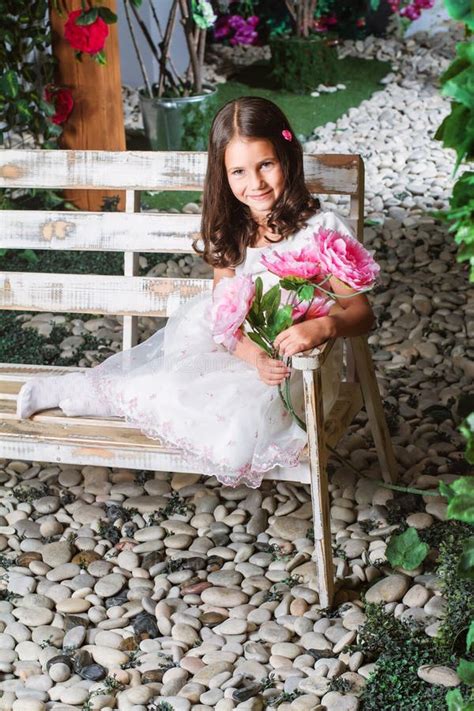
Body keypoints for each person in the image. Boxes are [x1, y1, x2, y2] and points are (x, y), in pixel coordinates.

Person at [16, 96, 376, 489]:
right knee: (168, 387)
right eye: (238, 171)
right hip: (241, 354)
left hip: (297, 373)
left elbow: (361, 313)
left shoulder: (321, 232)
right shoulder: (233, 230)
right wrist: (252, 355)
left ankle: (86, 392)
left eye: (266, 165)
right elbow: (224, 317)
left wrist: (323, 327)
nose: (254, 183)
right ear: (223, 174)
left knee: (229, 426)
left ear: (288, 155)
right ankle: (70, 391)